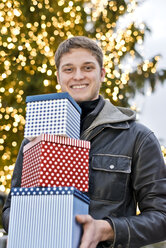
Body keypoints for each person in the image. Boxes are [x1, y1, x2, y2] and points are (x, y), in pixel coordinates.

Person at [2, 36, 166, 248]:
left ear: (102, 73)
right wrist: (33, 225)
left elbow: (161, 216)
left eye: (87, 67)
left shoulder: (138, 138)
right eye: (68, 69)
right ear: (59, 77)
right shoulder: (34, 139)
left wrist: (106, 229)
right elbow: (10, 209)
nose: (78, 76)